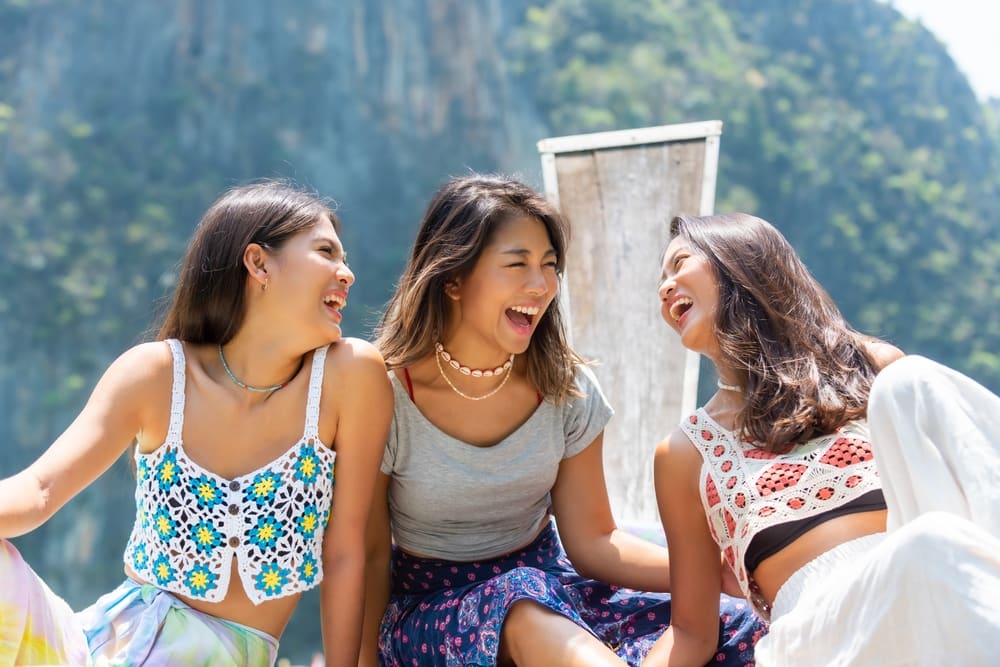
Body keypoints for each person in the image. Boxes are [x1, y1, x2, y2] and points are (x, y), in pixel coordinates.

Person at [361, 175, 763, 667]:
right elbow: (369, 556)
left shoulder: (565, 387)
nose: (541, 284)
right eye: (518, 264)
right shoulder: (383, 392)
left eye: (549, 266)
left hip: (555, 587)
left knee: (737, 624)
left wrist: (714, 575)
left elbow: (594, 541)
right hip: (429, 610)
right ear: (453, 279)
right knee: (520, 597)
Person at [0, 181, 393, 666]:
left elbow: (346, 553)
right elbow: (39, 489)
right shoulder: (155, 373)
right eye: (326, 252)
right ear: (258, 263)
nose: (347, 273)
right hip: (91, 648)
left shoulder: (349, 376)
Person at [646, 212, 1000, 666]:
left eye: (679, 264)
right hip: (821, 640)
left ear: (738, 259)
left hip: (936, 588)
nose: (665, 287)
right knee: (929, 546)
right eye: (662, 279)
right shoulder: (686, 453)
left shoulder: (870, 369)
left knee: (912, 382)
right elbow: (691, 632)